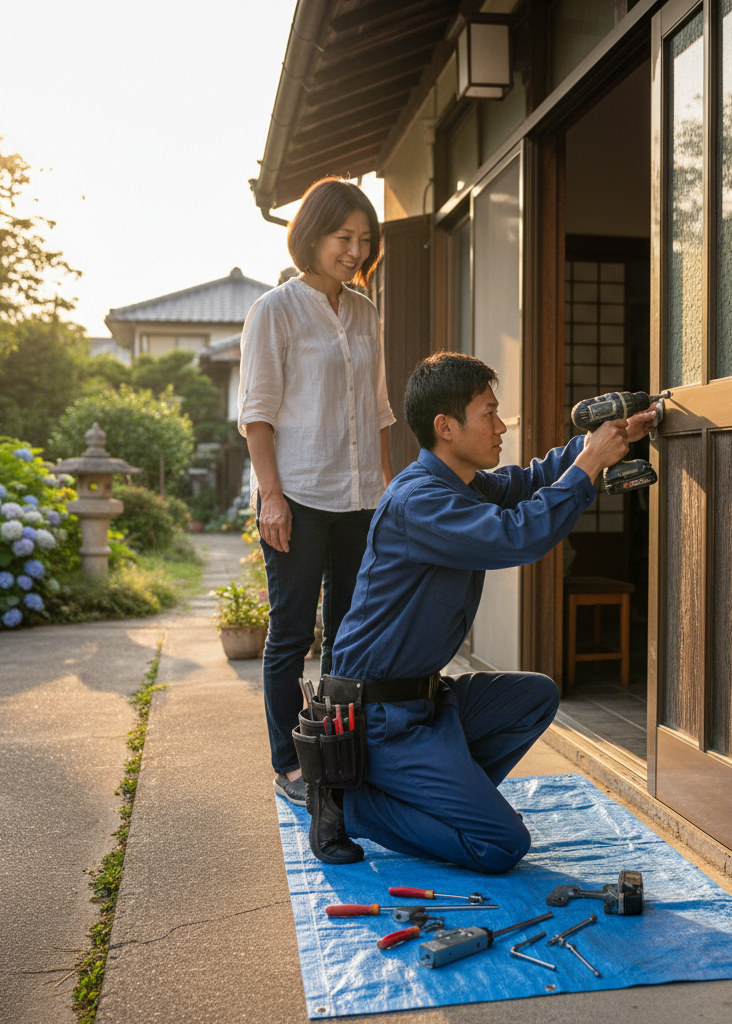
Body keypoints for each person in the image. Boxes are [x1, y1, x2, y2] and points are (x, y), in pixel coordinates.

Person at [306, 351, 655, 869]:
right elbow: (516, 537)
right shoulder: (419, 501)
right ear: (445, 427)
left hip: (425, 701)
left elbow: (528, 482)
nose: (500, 426)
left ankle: (444, 800)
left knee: (534, 696)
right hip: (378, 717)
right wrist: (589, 464)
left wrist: (605, 440)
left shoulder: (461, 484)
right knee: (501, 846)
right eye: (489, 413)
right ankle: (350, 801)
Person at [238, 177, 395, 808]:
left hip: (358, 498)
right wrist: (270, 496)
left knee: (351, 635)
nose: (354, 251)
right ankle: (291, 764)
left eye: (363, 240)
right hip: (297, 494)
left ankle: (337, 751)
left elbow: (378, 410)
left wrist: (385, 490)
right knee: (290, 634)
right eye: (342, 237)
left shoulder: (365, 311)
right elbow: (258, 413)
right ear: (313, 235)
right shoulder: (275, 309)